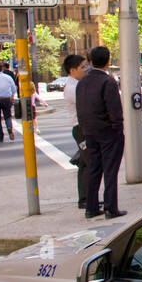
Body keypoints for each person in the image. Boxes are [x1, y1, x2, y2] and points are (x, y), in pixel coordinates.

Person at [77, 45, 126, 219]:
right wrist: (118, 129)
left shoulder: (82, 81)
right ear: (107, 61)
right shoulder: (108, 82)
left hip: (89, 131)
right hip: (108, 132)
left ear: (91, 61)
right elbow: (115, 110)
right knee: (110, 170)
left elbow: (80, 108)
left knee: (94, 168)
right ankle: (110, 207)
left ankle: (91, 207)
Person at [61, 54, 90, 207]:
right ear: (72, 70)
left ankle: (86, 198)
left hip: (82, 128)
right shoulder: (73, 88)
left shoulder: (76, 85)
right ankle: (85, 199)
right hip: (80, 128)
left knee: (86, 162)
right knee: (88, 163)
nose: (85, 70)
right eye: (82, 67)